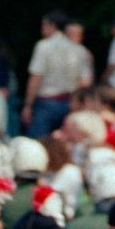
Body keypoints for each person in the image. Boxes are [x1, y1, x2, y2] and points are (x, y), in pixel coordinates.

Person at [23, 10, 87, 138]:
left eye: (44, 25)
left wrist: (28, 105)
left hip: (46, 103)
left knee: (39, 143)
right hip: (69, 103)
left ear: (52, 26)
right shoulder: (78, 49)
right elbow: (84, 81)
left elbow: (36, 76)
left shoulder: (43, 46)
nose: (42, 29)